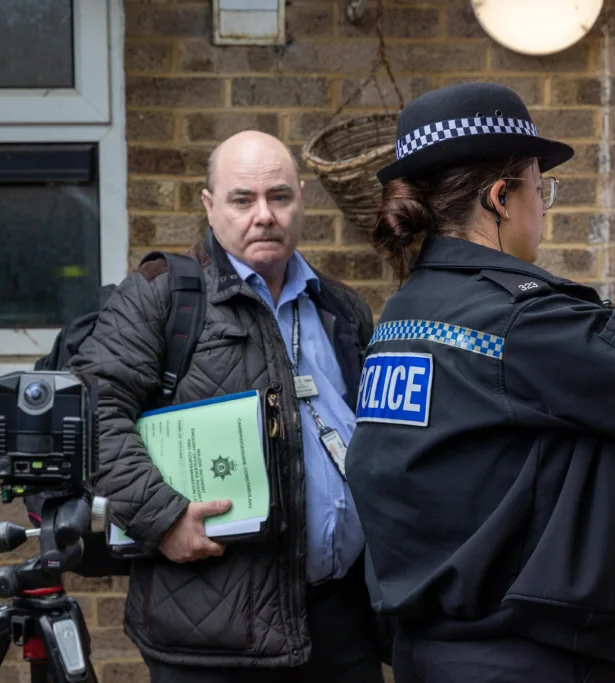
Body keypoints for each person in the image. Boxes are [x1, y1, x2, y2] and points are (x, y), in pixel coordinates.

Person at [344, 82, 615, 683]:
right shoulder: (523, 320)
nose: (545, 206)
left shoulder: (407, 313)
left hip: (432, 654)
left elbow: (533, 403)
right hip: (523, 661)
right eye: (541, 189)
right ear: (499, 199)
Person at [68, 131, 385, 683]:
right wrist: (162, 519)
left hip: (339, 624)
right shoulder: (161, 296)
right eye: (243, 199)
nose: (264, 215)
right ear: (210, 206)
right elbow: (93, 412)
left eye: (279, 197)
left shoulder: (338, 307)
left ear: (301, 200)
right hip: (214, 634)